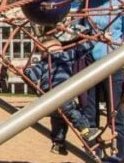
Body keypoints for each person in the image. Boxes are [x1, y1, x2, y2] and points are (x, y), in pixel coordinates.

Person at [24, 26, 102, 155]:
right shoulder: (64, 56)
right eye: (59, 47)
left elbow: (31, 77)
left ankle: (58, 143)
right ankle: (86, 131)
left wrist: (26, 72)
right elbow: (82, 49)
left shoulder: (42, 64)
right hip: (62, 96)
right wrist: (96, 38)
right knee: (74, 113)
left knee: (58, 120)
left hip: (48, 101)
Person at [79, 0, 124, 159]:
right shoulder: (87, 2)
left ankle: (121, 160)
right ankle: (92, 160)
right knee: (89, 116)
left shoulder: (123, 3)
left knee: (116, 115)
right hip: (89, 65)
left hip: (113, 64)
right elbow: (76, 32)